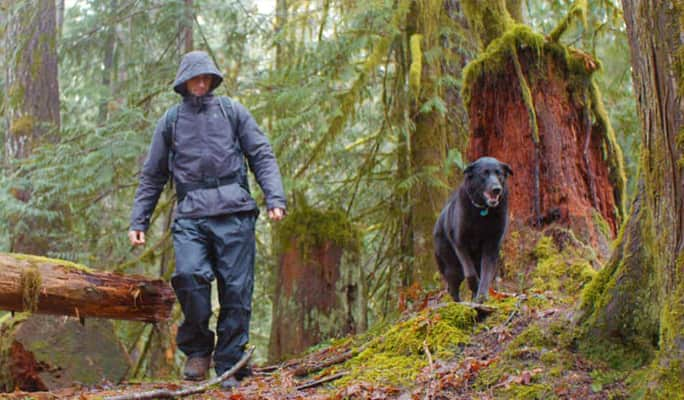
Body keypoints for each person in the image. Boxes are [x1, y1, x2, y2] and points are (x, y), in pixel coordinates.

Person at [128, 50, 286, 389]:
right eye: (195, 77)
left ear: (212, 80)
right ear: (183, 81)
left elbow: (261, 153)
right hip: (191, 215)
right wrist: (138, 220)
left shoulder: (232, 112)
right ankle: (198, 349)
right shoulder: (170, 121)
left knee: (236, 292)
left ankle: (230, 365)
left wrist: (275, 197)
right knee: (188, 277)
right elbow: (153, 174)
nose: (200, 82)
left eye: (206, 77)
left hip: (235, 213)